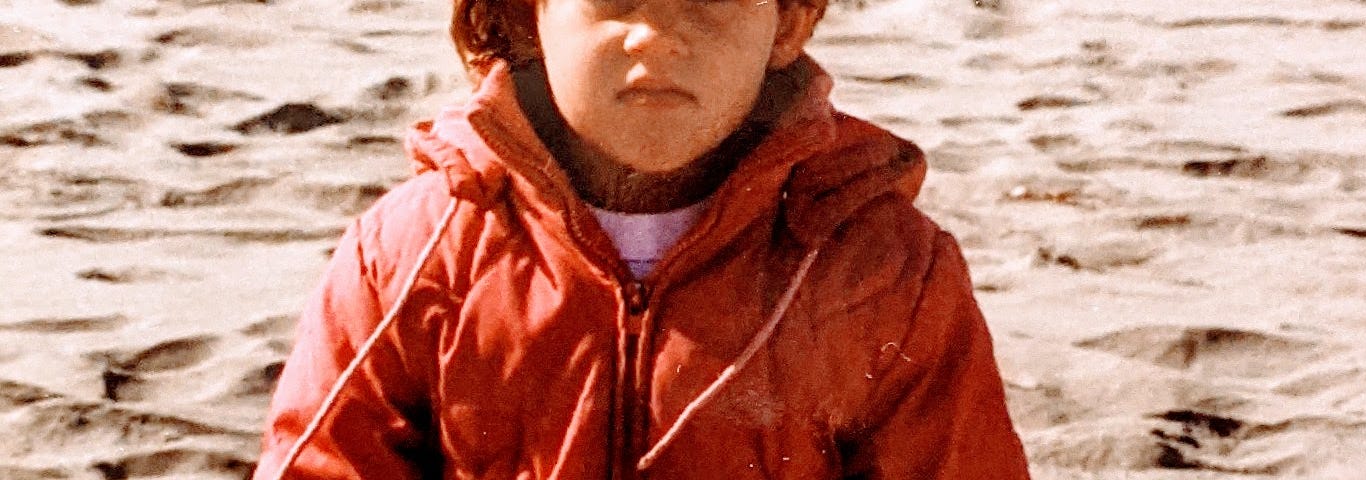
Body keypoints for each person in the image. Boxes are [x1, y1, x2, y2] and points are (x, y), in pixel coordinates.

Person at [253, 0, 1031, 477]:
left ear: (789, 20)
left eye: (708, 0)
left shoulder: (883, 272)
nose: (655, 38)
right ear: (532, 13)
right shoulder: (412, 252)